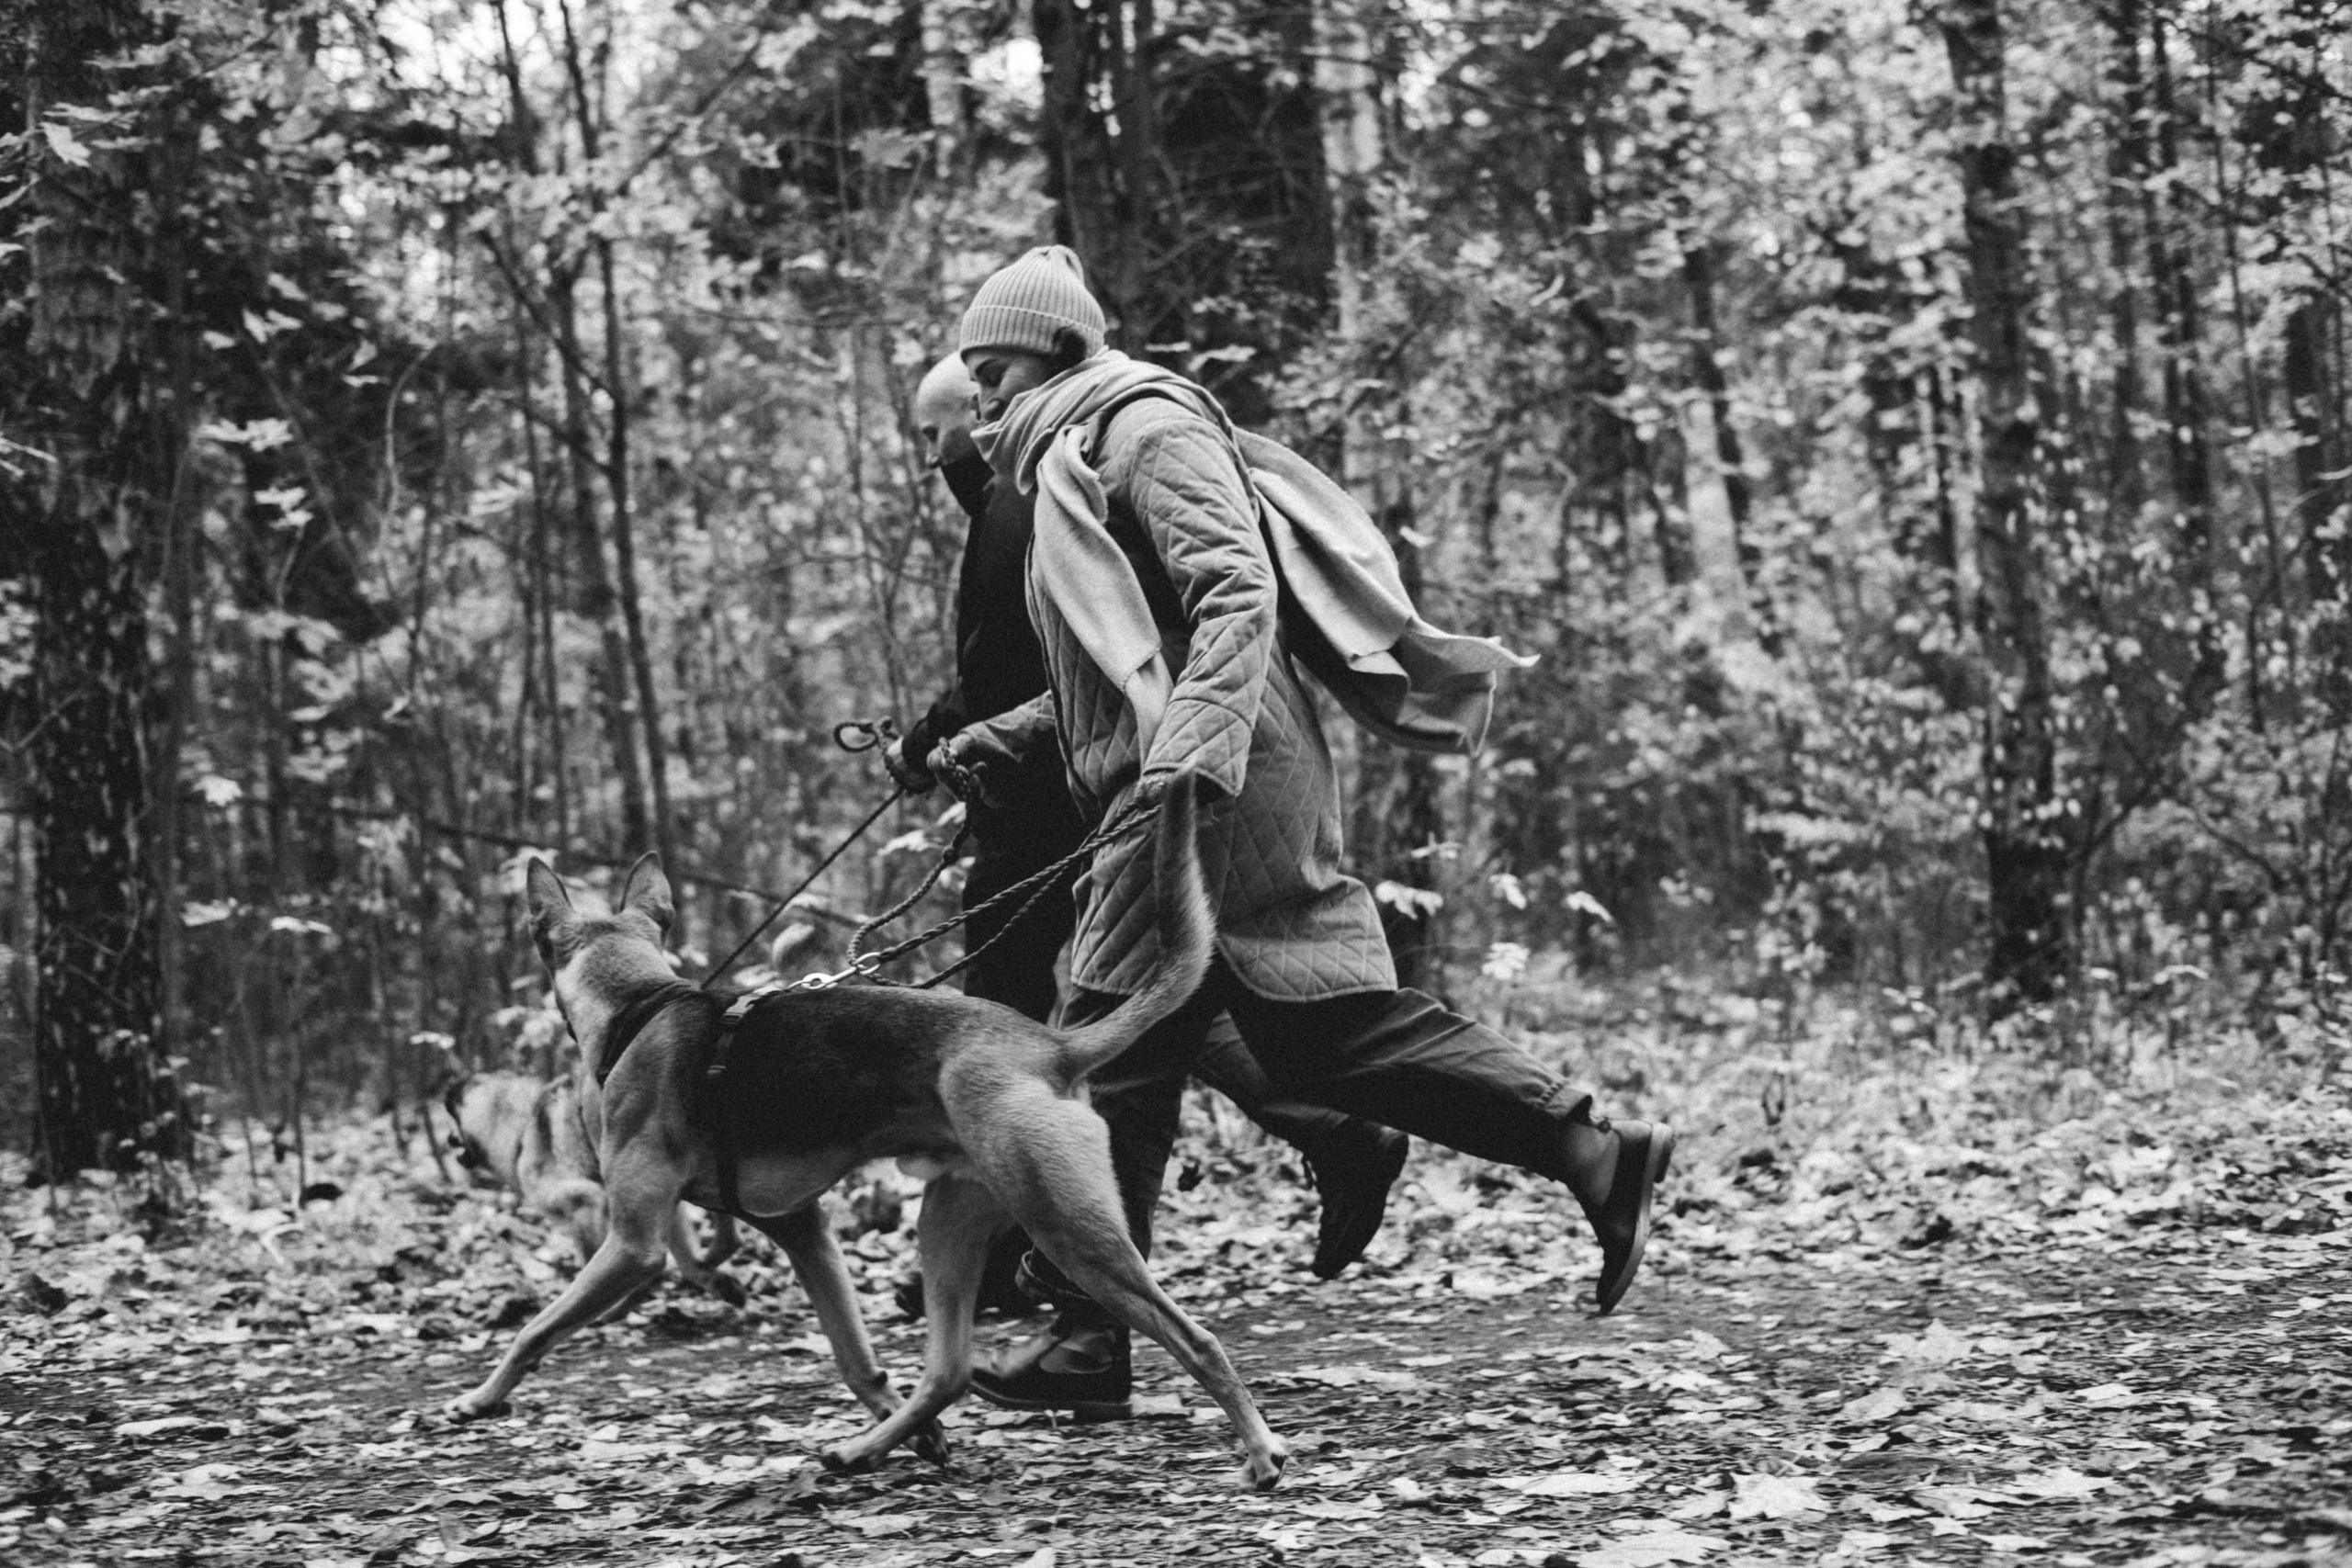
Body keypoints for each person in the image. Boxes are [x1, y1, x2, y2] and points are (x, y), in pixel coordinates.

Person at [936, 247, 1676, 1415]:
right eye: (972, 370)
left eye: (996, 363)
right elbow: (1134, 652)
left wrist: (1187, 759)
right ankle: (1588, 1151)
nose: (979, 390)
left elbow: (1237, 592)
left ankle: (1089, 1335)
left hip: (1208, 782)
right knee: (1292, 1036)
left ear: (1062, 348)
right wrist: (1023, 733)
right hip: (1195, 765)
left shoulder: (1141, 428)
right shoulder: (1076, 449)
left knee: (1106, 1043)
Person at [886, 353, 1409, 1320]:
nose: (931, 455)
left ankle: (1019, 1273)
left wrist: (938, 741)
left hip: (1060, 800)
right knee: (1157, 1014)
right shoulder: (1015, 491)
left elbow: (1020, 665)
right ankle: (1333, 1133)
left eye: (935, 430)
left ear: (980, 406)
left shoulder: (1024, 494)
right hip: (1069, 785)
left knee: (1012, 1036)